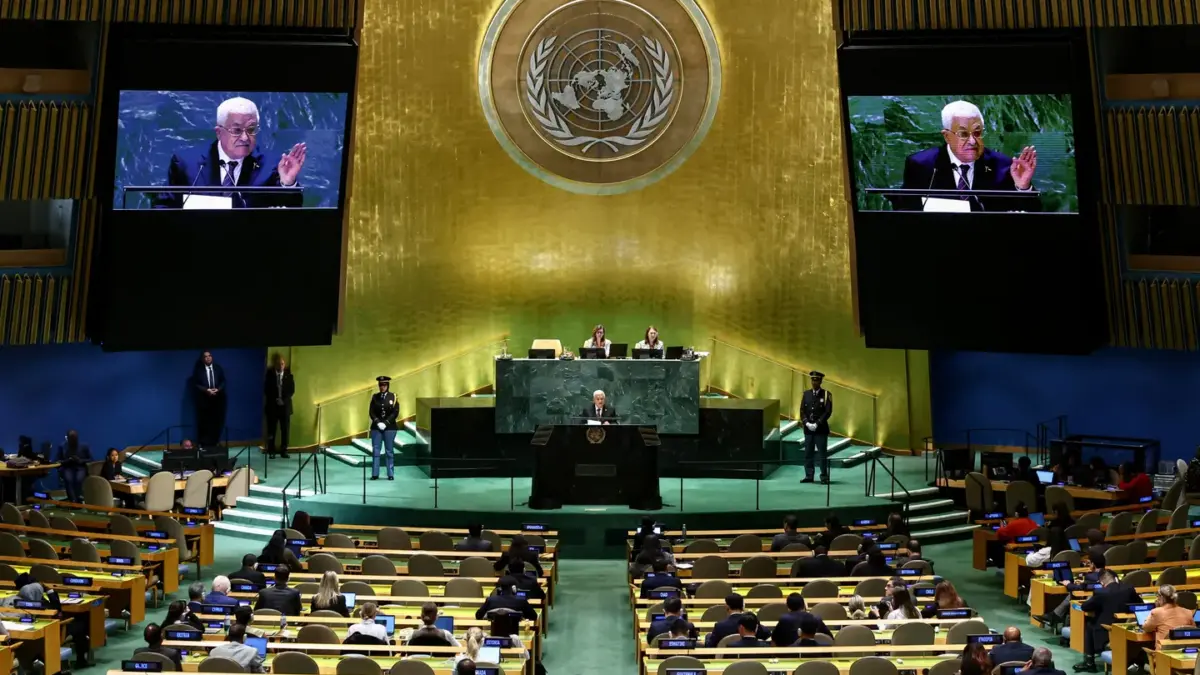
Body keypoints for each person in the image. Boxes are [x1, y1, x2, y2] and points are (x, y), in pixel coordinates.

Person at [154, 96, 306, 209]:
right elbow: (164, 207)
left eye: (251, 130)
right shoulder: (186, 163)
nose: (245, 137)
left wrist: (288, 183)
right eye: (236, 130)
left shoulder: (271, 165)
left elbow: (291, 211)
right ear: (219, 132)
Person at [895, 100, 1040, 213]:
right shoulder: (921, 165)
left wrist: (1023, 187)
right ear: (946, 136)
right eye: (963, 134)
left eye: (977, 133)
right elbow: (904, 211)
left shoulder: (1002, 166)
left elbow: (1032, 215)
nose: (972, 141)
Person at [1077, 569, 1140, 672]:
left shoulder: (1101, 592)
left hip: (1105, 633)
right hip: (1126, 627)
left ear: (1102, 583)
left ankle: (1089, 662)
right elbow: (1139, 604)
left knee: (1089, 625)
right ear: (1116, 579)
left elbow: (1085, 607)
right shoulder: (1129, 588)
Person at [800, 370, 833, 484]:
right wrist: (807, 423)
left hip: (821, 430)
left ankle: (824, 476)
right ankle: (809, 476)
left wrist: (817, 423)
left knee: (822, 453)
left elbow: (828, 411)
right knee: (808, 453)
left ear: (820, 381)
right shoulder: (806, 394)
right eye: (812, 380)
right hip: (808, 430)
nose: (814, 382)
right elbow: (802, 410)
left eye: (817, 380)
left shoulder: (826, 394)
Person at [1141, 584, 1194, 649]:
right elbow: (1193, 631)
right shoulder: (1188, 612)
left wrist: (1157, 608)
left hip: (1163, 653)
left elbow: (1146, 628)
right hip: (1184, 651)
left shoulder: (1156, 612)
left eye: (1157, 596)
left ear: (1161, 597)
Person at [705, 594, 771, 646]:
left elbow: (710, 646)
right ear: (743, 606)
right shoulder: (752, 621)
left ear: (727, 607)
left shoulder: (719, 626)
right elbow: (768, 634)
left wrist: (707, 637)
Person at [191, 351, 227, 447]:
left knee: (216, 422)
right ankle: (203, 444)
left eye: (209, 356)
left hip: (217, 400)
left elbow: (223, 381)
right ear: (203, 359)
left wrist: (218, 389)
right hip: (204, 401)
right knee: (204, 423)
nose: (208, 358)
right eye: (205, 356)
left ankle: (215, 442)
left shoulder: (218, 368)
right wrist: (207, 390)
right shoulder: (198, 370)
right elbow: (196, 384)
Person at [263, 353, 294, 459]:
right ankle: (271, 450)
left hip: (285, 407)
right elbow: (266, 389)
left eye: (282, 364)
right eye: (278, 364)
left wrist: (283, 400)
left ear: (284, 365)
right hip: (272, 407)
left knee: (285, 430)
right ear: (275, 365)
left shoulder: (289, 375)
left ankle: (284, 450)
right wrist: (276, 399)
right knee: (272, 430)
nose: (280, 366)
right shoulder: (269, 375)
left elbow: (291, 390)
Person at [368, 376, 399, 481]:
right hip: (376, 428)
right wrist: (377, 422)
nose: (382, 387)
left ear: (388, 385)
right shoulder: (375, 397)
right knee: (376, 451)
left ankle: (390, 474)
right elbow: (371, 412)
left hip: (389, 427)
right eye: (380, 385)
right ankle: (375, 474)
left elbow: (395, 412)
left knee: (389, 451)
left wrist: (386, 423)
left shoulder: (393, 397)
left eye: (384, 385)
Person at [57, 430, 91, 503]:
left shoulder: (84, 446)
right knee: (69, 479)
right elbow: (57, 460)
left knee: (78, 479)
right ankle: (73, 500)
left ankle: (78, 498)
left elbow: (91, 459)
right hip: (67, 467)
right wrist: (67, 460)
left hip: (80, 467)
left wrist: (80, 460)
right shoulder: (62, 446)